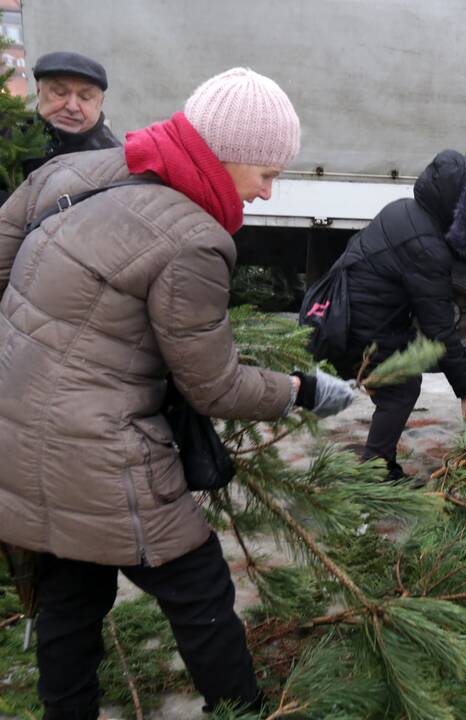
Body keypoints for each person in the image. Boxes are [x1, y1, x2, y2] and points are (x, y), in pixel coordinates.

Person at [0, 67, 355, 719]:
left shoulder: (71, 174)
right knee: (199, 589)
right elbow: (214, 383)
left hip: (18, 437)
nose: (269, 192)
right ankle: (240, 709)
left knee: (71, 594)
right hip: (102, 455)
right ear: (224, 154)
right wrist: (303, 389)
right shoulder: (195, 238)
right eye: (266, 172)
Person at [334, 148, 466, 482]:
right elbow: (440, 326)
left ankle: (382, 464)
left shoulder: (406, 210)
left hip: (354, 310)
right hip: (359, 321)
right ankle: (376, 472)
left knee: (400, 381)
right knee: (401, 386)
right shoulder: (426, 245)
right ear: (461, 203)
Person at [0, 51, 121, 207]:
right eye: (60, 93)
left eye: (85, 97)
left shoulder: (113, 158)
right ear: (38, 91)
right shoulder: (8, 133)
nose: (72, 107)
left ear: (100, 102)